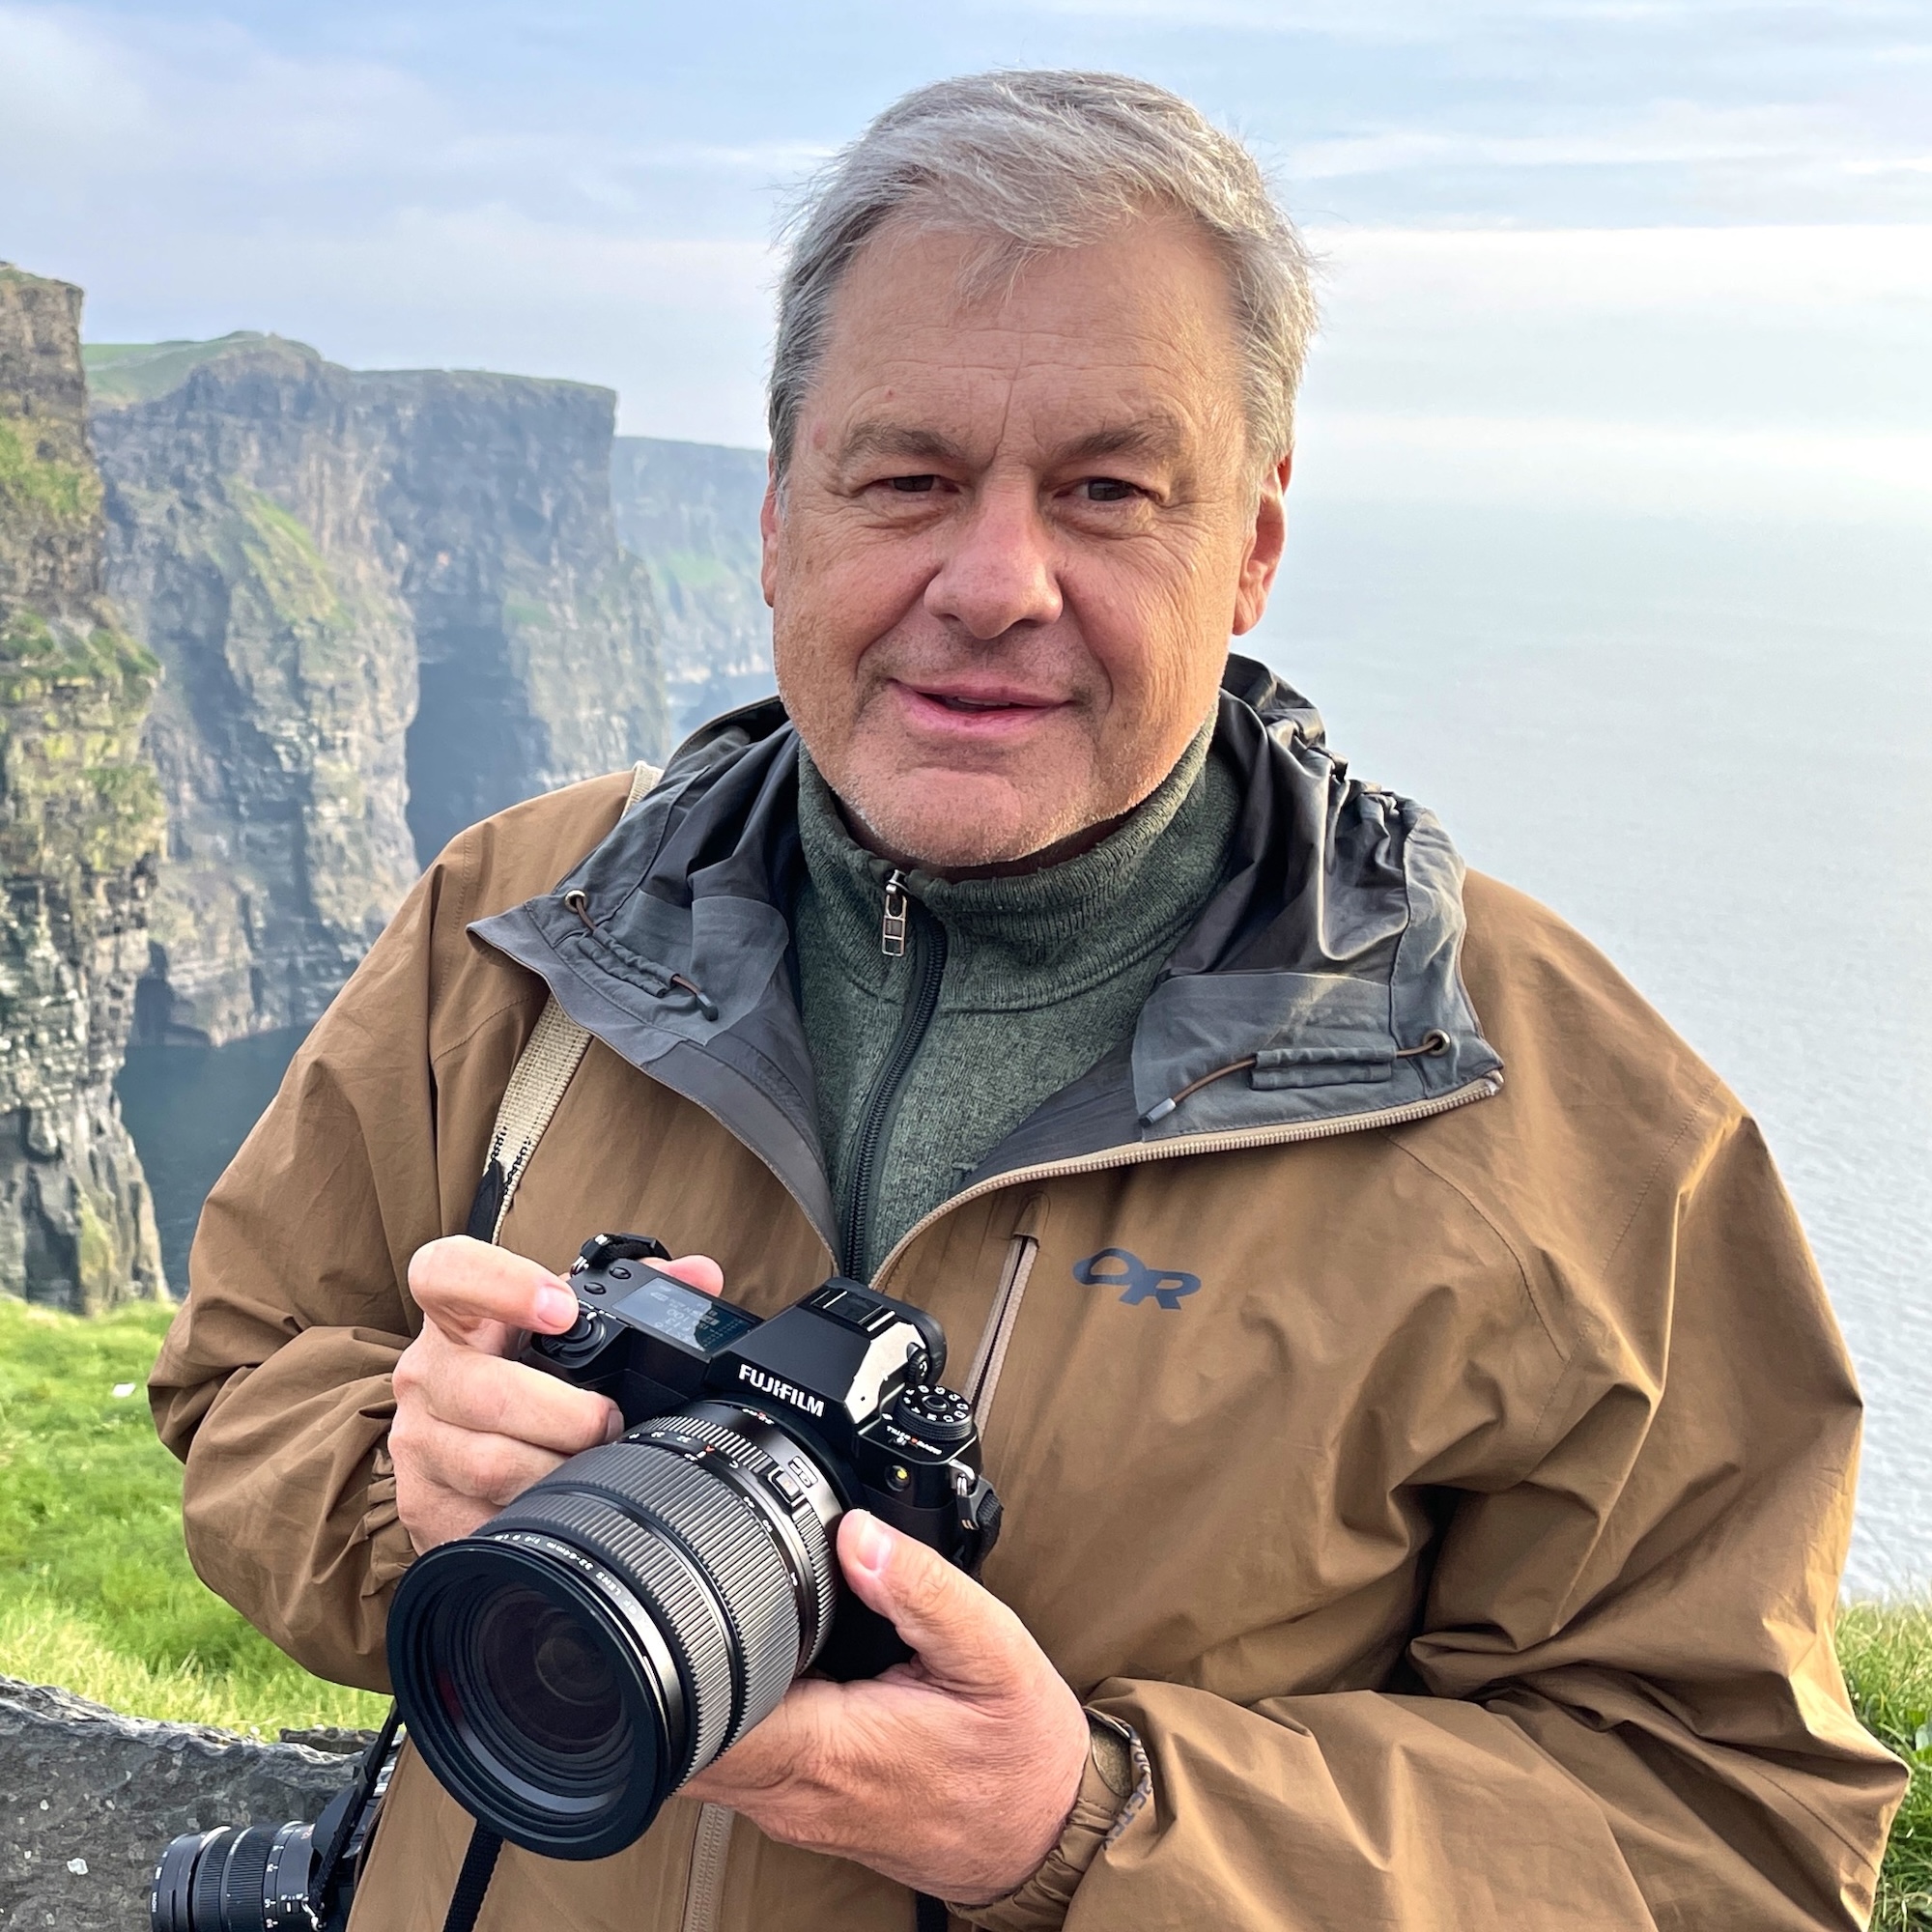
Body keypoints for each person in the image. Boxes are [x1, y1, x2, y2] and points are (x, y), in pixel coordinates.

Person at [150, 69, 1904, 1932]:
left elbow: (1738, 1841)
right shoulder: (517, 926)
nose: (993, 585)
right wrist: (402, 1487)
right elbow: (239, 1388)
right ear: (774, 523)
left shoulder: (1574, 1135)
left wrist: (1081, 1822)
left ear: (1253, 546)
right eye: (905, 480)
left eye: (1108, 493)